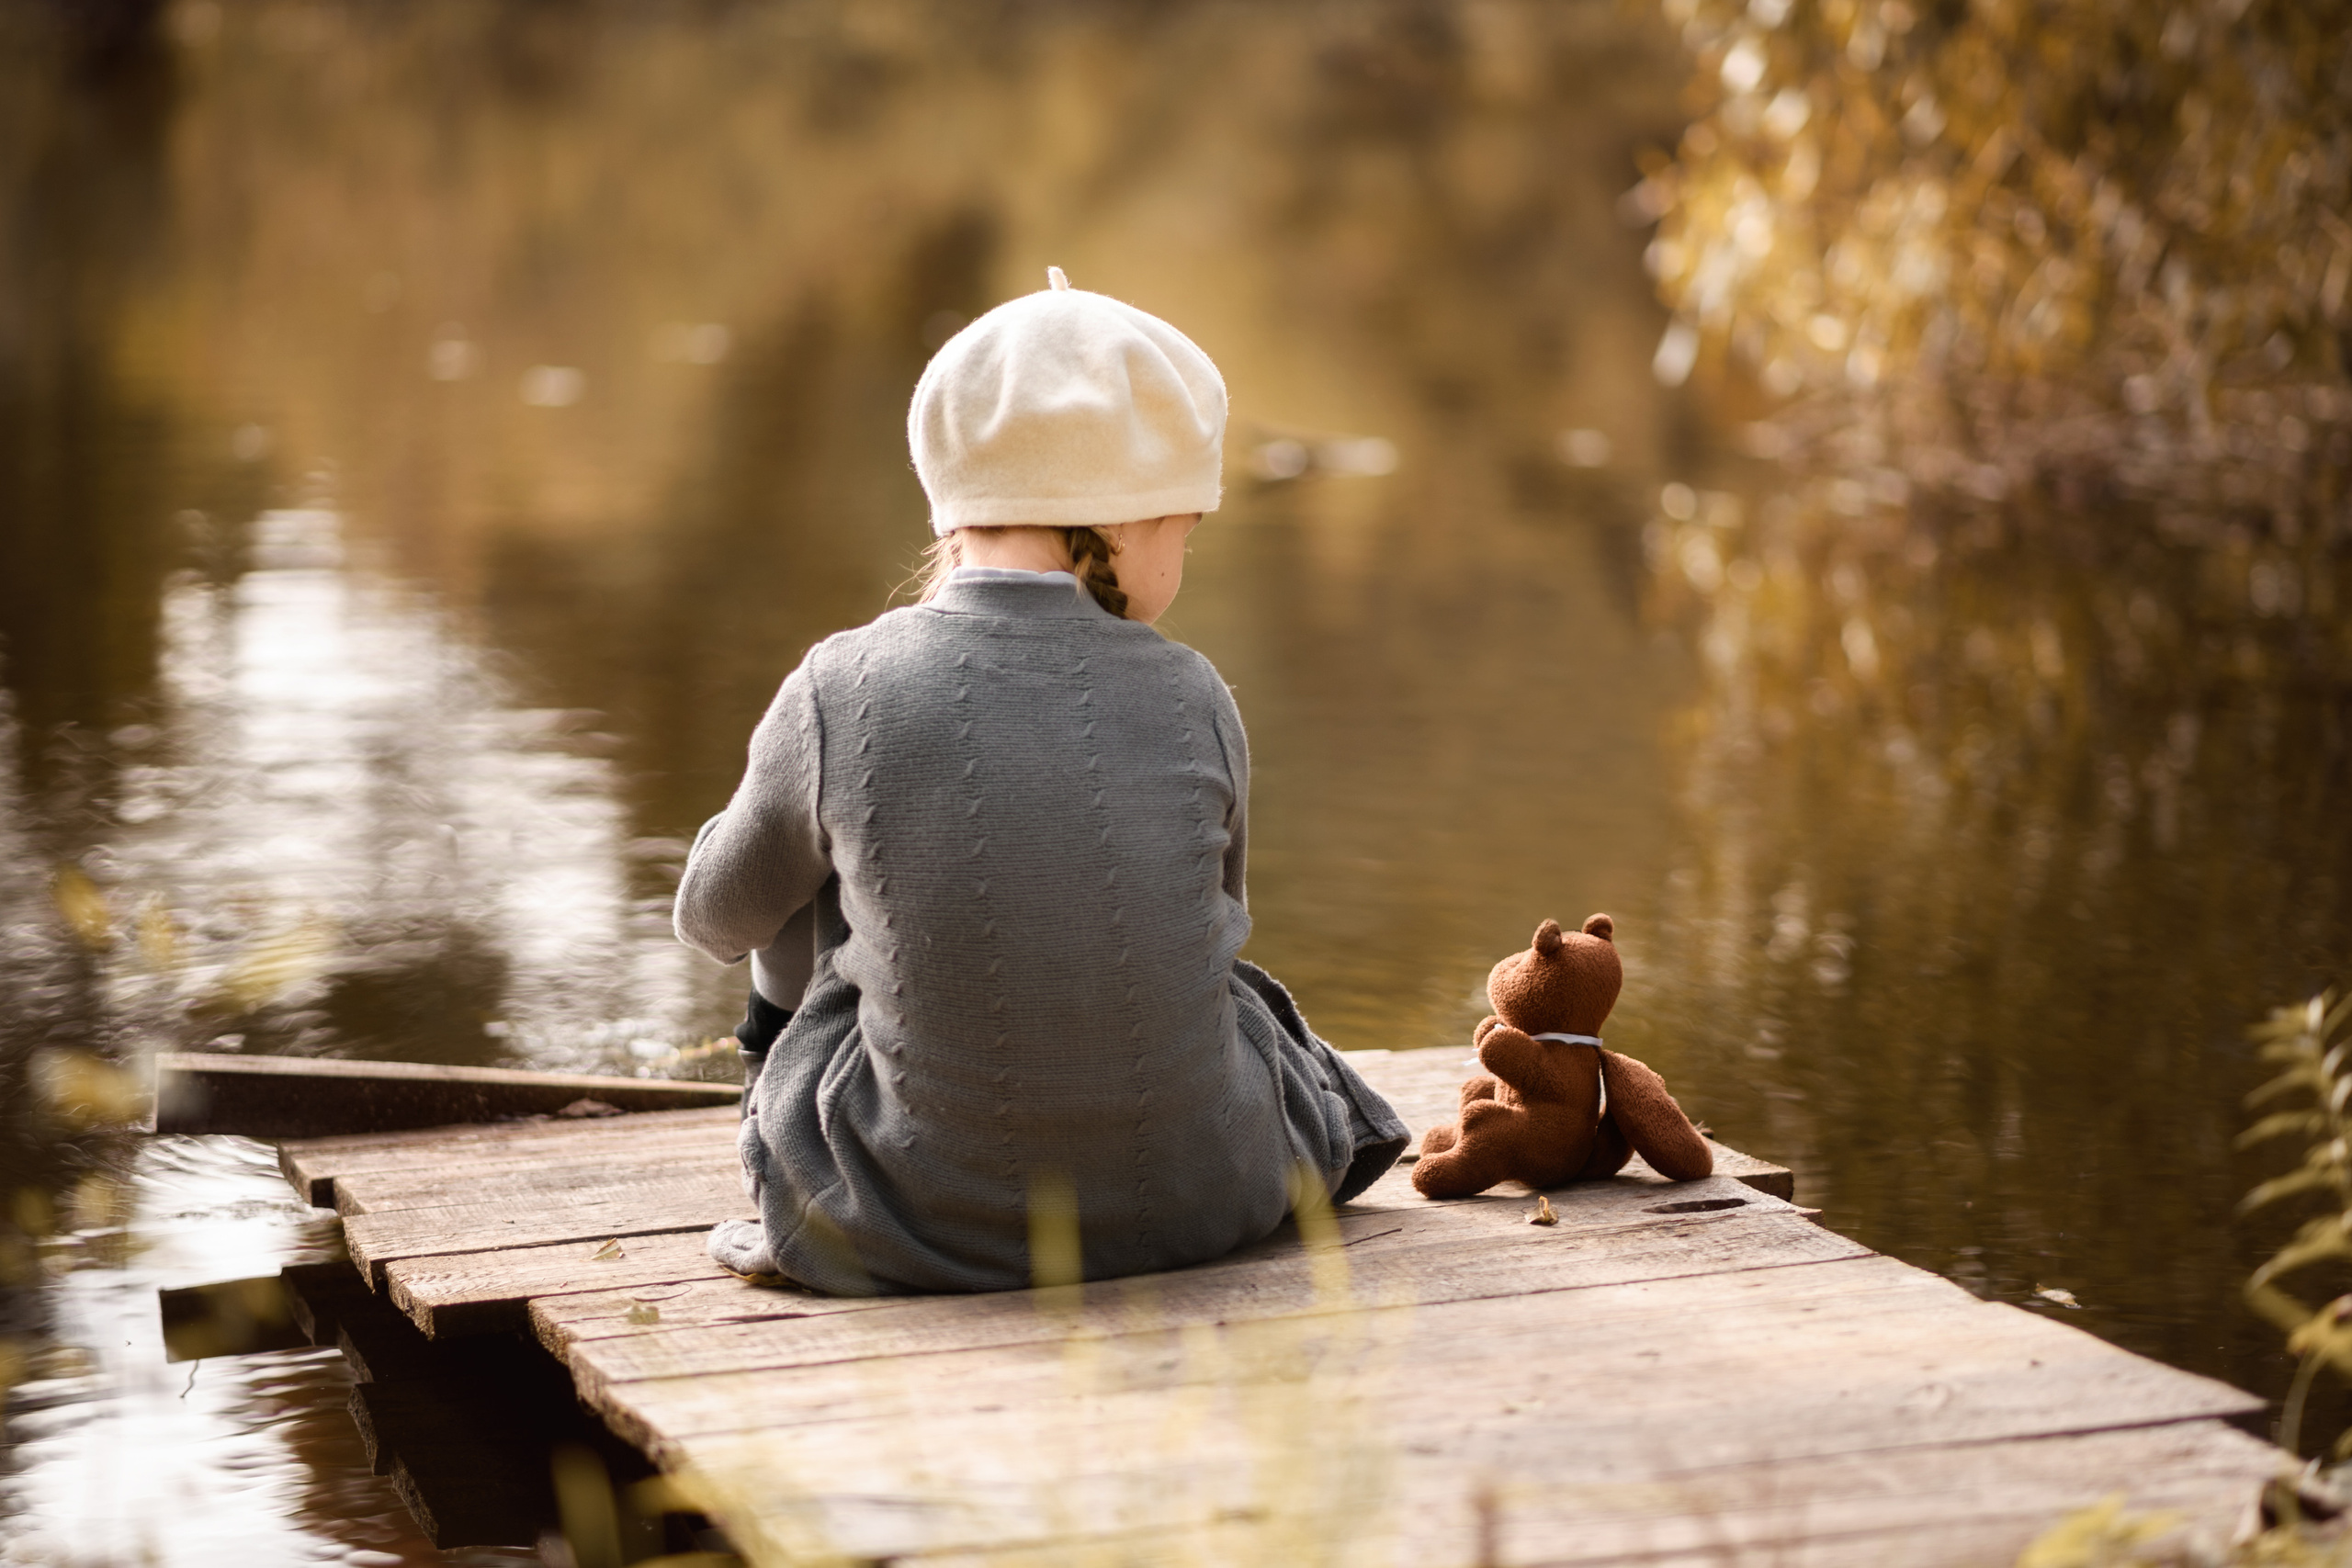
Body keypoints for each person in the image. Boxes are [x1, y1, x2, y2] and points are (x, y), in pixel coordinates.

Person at [675, 267, 1407, 1295]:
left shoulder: (842, 686)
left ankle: (780, 1141)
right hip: (1208, 1198)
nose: (1182, 560)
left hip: (904, 1218)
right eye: (1184, 532)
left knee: (820, 884)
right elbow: (1211, 932)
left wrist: (792, 799)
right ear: (1126, 520)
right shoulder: (1195, 692)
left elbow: (714, 920)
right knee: (1247, 1012)